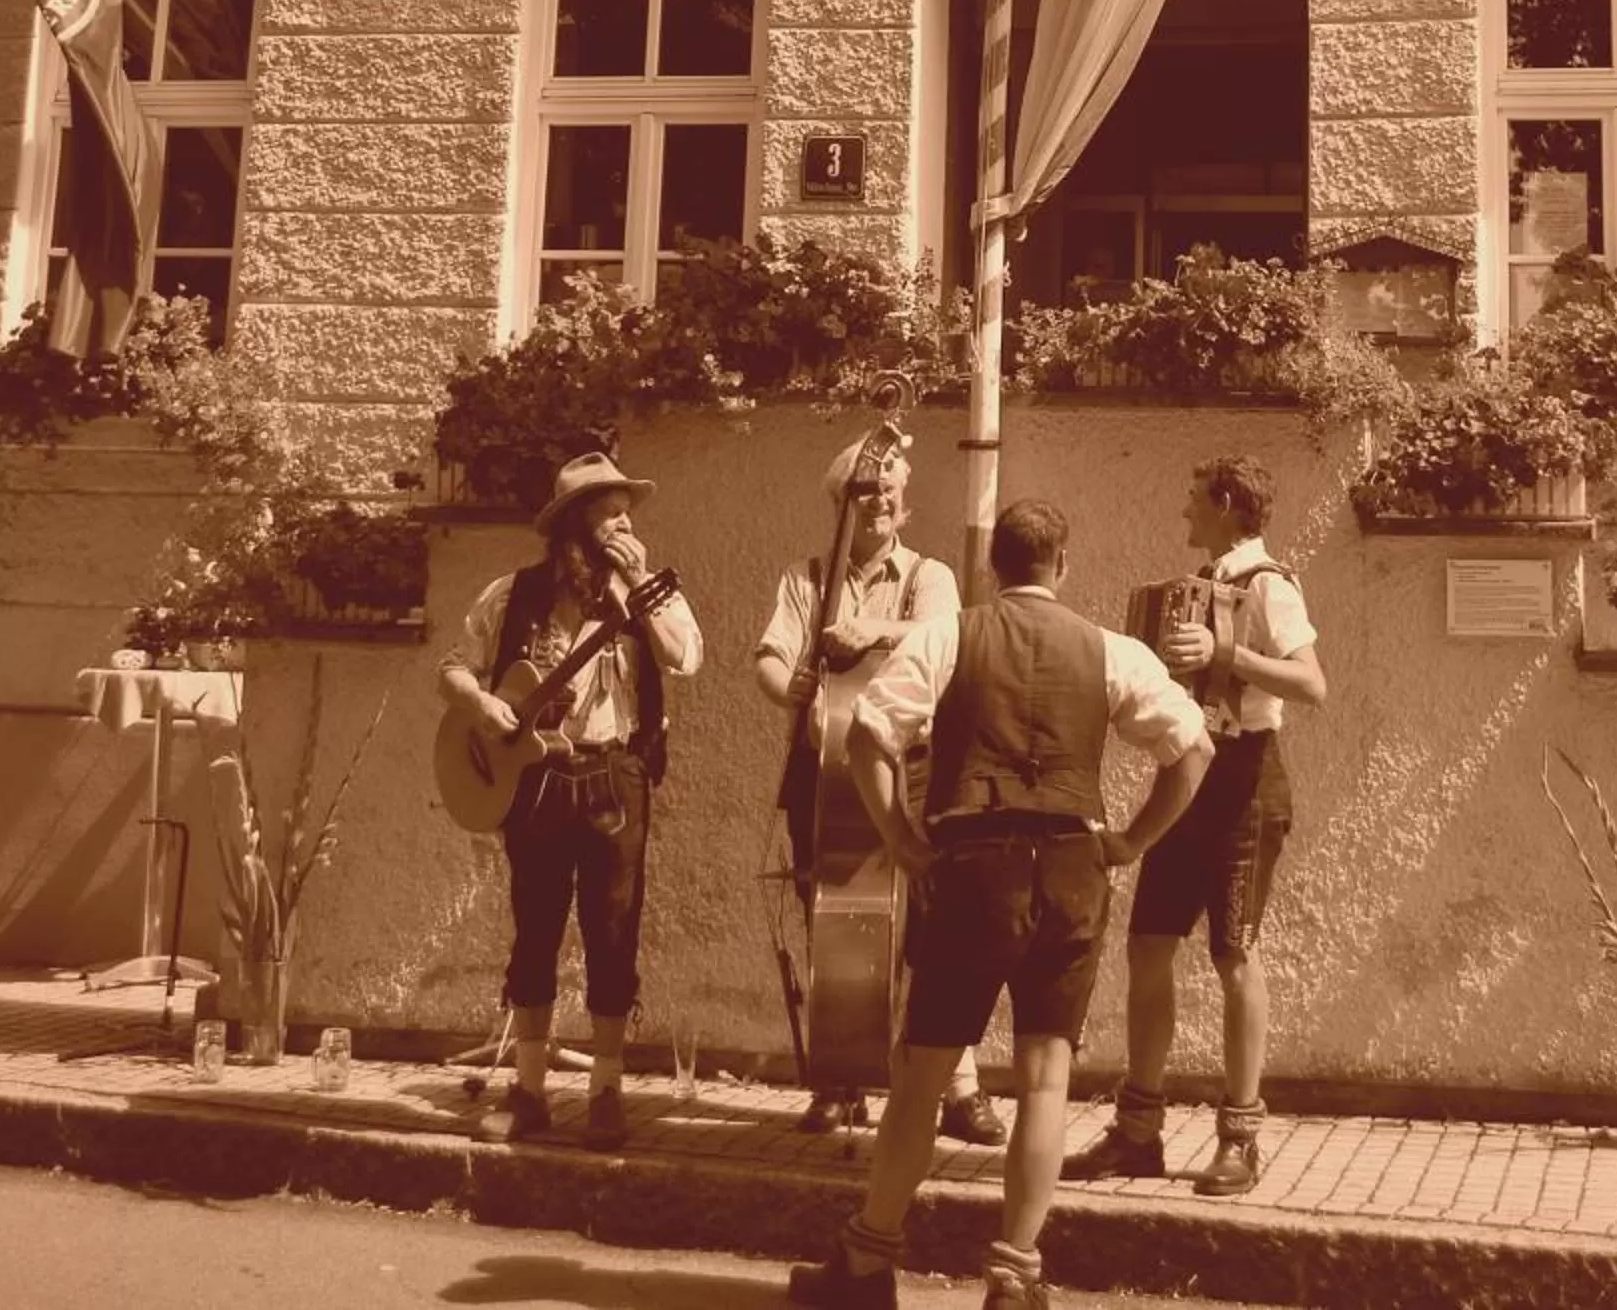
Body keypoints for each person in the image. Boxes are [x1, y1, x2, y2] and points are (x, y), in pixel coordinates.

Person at [787, 495, 1212, 1310]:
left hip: (971, 867)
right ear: (1063, 566)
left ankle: (868, 1264)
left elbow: (870, 736)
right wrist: (1130, 842)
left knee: (923, 1074)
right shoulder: (1107, 648)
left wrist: (906, 842)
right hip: (1072, 867)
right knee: (1046, 1077)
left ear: (995, 568)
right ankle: (1015, 1276)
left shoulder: (950, 635)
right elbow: (1191, 748)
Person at [1065, 452, 1324, 1199]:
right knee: (1148, 948)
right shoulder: (1200, 584)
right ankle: (1138, 1132)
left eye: (1193, 500)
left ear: (1225, 501)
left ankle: (1240, 1138)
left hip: (1247, 782)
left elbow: (1313, 683)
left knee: (1234, 956)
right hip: (1193, 772)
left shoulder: (1270, 584)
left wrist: (1227, 653)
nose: (1184, 513)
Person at [436, 447, 703, 1147]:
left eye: (626, 511)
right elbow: (452, 669)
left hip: (616, 776)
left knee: (614, 936)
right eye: (608, 512)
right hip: (536, 784)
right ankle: (528, 1094)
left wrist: (640, 585)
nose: (622, 522)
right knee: (535, 933)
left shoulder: (644, 593)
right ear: (573, 524)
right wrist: (481, 706)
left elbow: (688, 657)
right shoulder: (512, 593)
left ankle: (607, 1093)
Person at [755, 432, 1004, 1144]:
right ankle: (841, 1080)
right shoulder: (806, 578)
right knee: (834, 926)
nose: (882, 504)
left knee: (935, 934)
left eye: (892, 493)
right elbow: (770, 659)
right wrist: (794, 689)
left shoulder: (927, 577)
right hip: (826, 771)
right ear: (842, 506)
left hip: (917, 770)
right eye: (868, 494)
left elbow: (945, 635)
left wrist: (865, 629)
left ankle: (959, 1088)